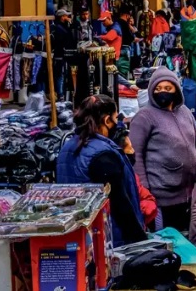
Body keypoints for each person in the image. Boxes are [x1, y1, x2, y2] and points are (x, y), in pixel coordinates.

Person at [57, 95, 148, 246]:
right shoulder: (102, 154)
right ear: (107, 121)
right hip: (107, 240)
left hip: (77, 235)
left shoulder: (67, 148)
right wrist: (140, 242)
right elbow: (121, 205)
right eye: (115, 118)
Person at [129, 67, 196, 231]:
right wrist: (145, 190)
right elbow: (136, 156)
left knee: (184, 238)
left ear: (176, 90)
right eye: (157, 89)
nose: (162, 92)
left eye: (167, 88)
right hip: (161, 198)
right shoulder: (144, 116)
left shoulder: (185, 112)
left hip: (187, 194)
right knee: (166, 240)